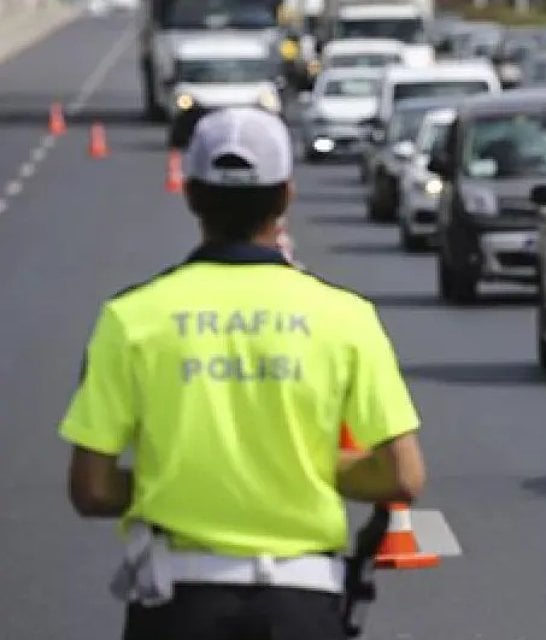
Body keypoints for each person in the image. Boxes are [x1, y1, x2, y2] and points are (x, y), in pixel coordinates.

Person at [59, 107, 426, 640]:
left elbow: (90, 488)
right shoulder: (344, 316)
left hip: (178, 602)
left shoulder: (132, 318)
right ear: (285, 197)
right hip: (304, 602)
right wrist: (299, 468)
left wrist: (187, 479)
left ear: (189, 193)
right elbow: (403, 475)